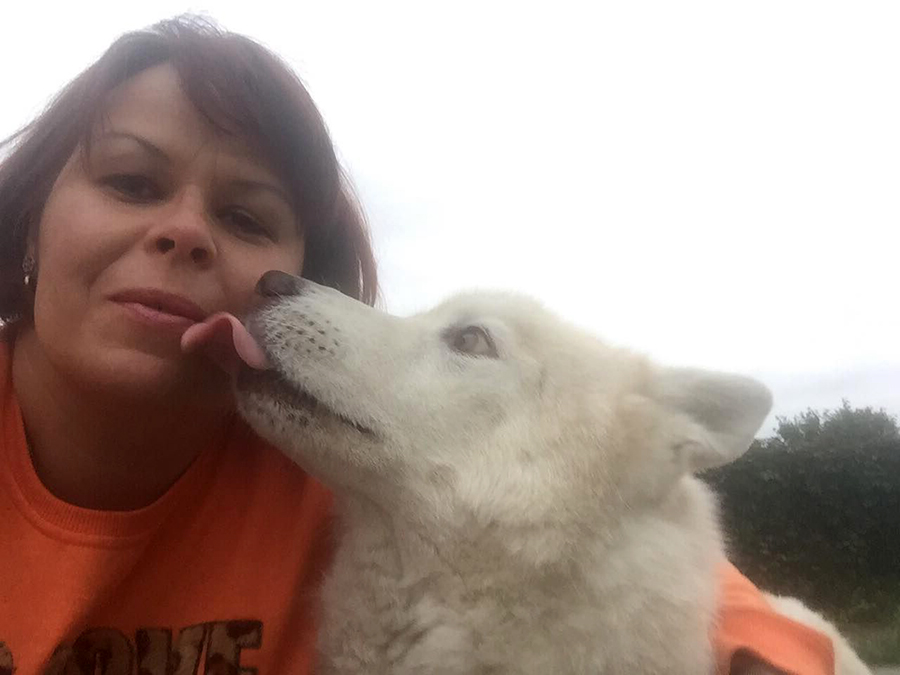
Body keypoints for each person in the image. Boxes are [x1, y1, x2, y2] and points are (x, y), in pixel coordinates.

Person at [0, 16, 834, 675]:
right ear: (34, 211)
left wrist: (777, 653)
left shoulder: (321, 471)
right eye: (131, 182)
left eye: (245, 217)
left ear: (295, 269)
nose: (184, 231)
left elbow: (618, 543)